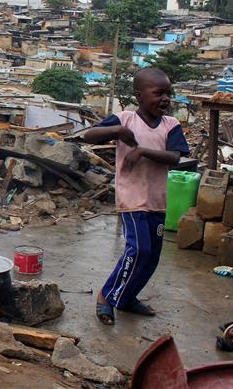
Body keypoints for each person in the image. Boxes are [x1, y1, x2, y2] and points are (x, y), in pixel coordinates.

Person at [83, 68, 190, 325]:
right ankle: (106, 296)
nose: (165, 99)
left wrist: (142, 151)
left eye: (168, 94)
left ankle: (128, 297)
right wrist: (117, 131)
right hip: (132, 199)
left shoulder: (170, 125)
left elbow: (175, 157)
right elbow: (88, 135)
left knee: (151, 255)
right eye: (158, 93)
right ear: (138, 95)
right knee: (139, 248)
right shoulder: (126, 119)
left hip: (157, 200)